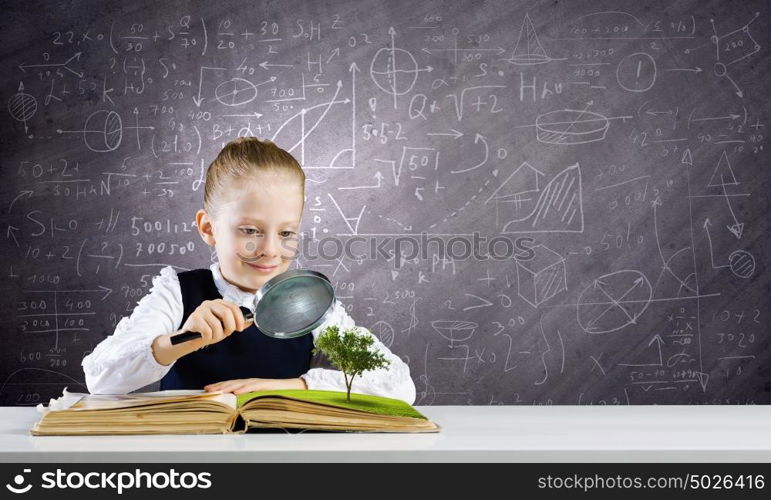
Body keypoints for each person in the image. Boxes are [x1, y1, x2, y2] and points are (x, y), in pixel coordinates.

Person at [82, 137, 416, 404]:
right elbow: (101, 379)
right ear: (209, 228)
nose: (271, 249)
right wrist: (181, 339)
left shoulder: (310, 304)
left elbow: (398, 385)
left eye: (286, 233)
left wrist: (291, 387)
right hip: (190, 459)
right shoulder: (176, 293)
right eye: (250, 231)